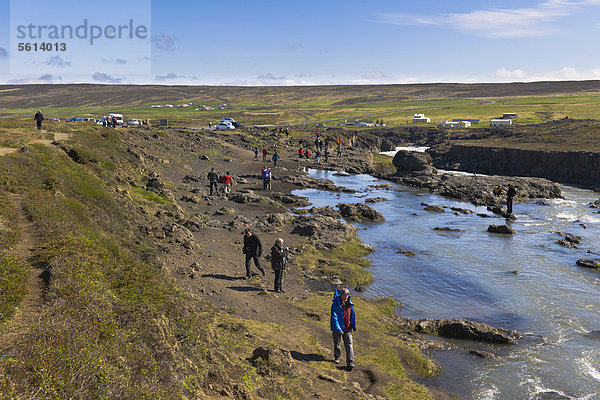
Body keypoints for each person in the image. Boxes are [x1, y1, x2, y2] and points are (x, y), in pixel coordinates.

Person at [330, 288, 355, 370]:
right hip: (337, 329)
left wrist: (352, 325)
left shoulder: (350, 304)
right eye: (344, 296)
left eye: (347, 296)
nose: (346, 297)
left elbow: (352, 315)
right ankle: (337, 357)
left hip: (347, 328)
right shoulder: (335, 305)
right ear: (341, 295)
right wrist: (338, 329)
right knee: (337, 344)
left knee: (349, 345)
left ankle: (350, 362)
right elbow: (334, 317)